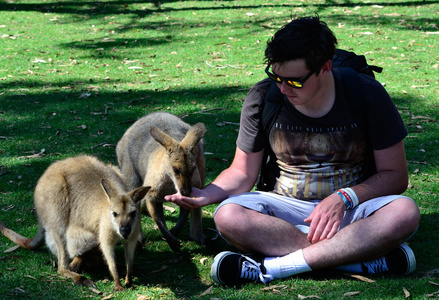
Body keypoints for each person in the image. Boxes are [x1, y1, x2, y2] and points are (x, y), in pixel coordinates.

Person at [165, 15, 420, 286]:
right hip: (285, 211)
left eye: (295, 81)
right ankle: (354, 258)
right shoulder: (264, 98)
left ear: (325, 67)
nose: (284, 88)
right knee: (227, 215)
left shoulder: (366, 94)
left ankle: (274, 267)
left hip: (352, 209)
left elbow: (395, 176)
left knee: (404, 212)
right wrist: (208, 194)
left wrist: (344, 198)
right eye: (276, 77)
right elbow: (242, 172)